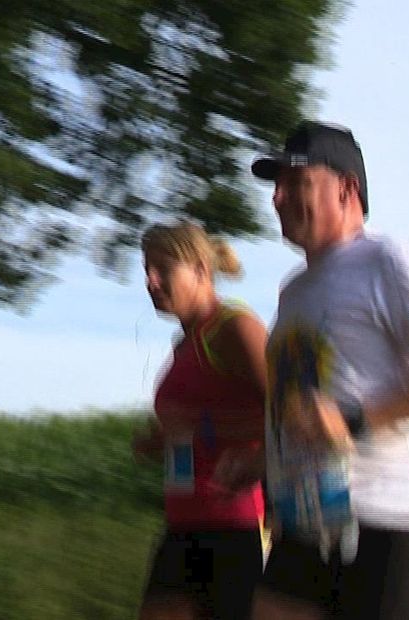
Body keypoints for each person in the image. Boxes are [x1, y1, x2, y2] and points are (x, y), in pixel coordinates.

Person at [246, 120, 409, 620]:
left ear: (347, 188)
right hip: (308, 517)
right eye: (276, 186)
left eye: (296, 183)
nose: (277, 199)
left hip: (391, 513)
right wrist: (259, 464)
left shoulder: (391, 259)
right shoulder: (293, 291)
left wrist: (354, 420)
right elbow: (306, 403)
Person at [133, 221, 269, 620]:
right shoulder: (184, 346)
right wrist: (164, 441)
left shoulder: (235, 327)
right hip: (183, 524)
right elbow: (193, 427)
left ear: (200, 271)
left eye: (162, 269)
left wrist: (202, 428)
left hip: (234, 525)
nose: (150, 281)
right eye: (146, 271)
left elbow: (289, 419)